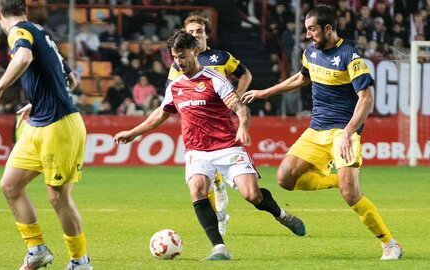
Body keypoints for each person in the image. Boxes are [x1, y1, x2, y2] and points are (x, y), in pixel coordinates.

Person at [114, 31, 306, 261]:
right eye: (175, 57)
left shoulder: (214, 79)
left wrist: (243, 127)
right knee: (197, 190)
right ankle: (219, 248)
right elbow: (160, 114)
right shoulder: (175, 87)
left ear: (195, 52)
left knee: (252, 194)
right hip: (197, 150)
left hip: (226, 145)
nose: (179, 62)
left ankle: (281, 215)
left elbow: (240, 107)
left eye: (183, 56)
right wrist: (133, 133)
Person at [241, 5, 402, 260]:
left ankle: (389, 243)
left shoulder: (350, 56)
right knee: (285, 178)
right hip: (316, 130)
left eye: (312, 29)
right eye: (306, 29)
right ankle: (338, 180)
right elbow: (301, 78)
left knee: (351, 195)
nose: (308, 34)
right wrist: (264, 92)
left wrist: (349, 132)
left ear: (328, 28)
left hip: (343, 132)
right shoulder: (311, 53)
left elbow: (366, 99)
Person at [0, 1, 93, 269]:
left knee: (57, 197)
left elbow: (24, 58)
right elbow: (71, 79)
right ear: (25, 9)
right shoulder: (40, 31)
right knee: (10, 185)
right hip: (37, 124)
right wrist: (39, 100)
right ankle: (37, 249)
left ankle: (80, 262)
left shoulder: (18, 31)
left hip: (60, 125)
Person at [166, 14, 253, 236]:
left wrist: (236, 97)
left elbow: (245, 75)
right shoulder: (180, 63)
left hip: (220, 120)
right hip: (196, 122)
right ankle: (220, 217)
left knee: (218, 175)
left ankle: (222, 201)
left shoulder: (221, 57)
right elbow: (171, 92)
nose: (194, 35)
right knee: (203, 179)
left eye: (199, 31)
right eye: (190, 32)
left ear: (206, 34)